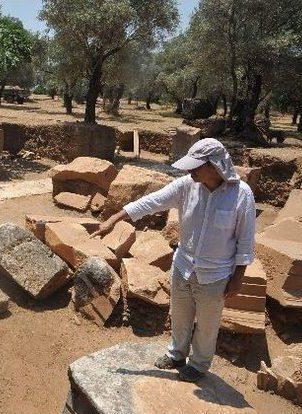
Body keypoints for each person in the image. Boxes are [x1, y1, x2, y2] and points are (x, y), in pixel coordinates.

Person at [91, 138, 256, 382]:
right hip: (183, 267)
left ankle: (198, 365)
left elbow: (245, 241)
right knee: (179, 315)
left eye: (196, 166)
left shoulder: (241, 195)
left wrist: (238, 279)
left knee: (208, 325)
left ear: (214, 166)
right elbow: (151, 201)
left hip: (215, 275)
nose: (190, 171)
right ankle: (177, 354)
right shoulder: (186, 186)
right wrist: (115, 218)